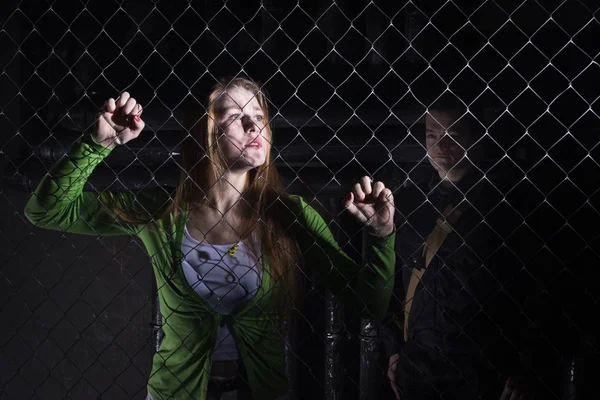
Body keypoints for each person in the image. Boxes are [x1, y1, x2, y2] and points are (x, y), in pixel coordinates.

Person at [24, 77, 396, 400]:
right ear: (205, 132)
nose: (254, 126)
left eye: (260, 118)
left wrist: (381, 235)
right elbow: (46, 210)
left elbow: (370, 302)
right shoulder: (162, 211)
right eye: (235, 117)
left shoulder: (289, 213)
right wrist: (98, 143)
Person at [382, 95, 548, 400]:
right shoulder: (409, 202)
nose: (440, 147)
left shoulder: (505, 205)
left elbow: (536, 288)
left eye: (452, 136)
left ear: (477, 138)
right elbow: (391, 280)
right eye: (432, 135)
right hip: (418, 368)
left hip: (482, 372)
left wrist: (526, 365)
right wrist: (394, 350)